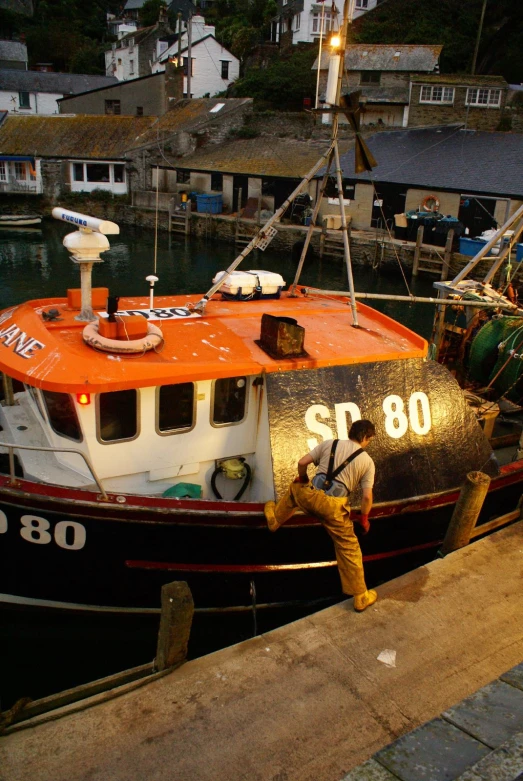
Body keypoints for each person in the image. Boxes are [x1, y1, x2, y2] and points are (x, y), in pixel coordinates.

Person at [264, 419, 377, 612]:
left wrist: (303, 478)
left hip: (309, 496)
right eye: (369, 440)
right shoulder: (367, 461)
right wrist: (364, 518)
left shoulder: (330, 444)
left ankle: (275, 520)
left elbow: (302, 463)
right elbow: (367, 497)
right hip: (332, 508)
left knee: (295, 488)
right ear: (365, 437)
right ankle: (360, 596)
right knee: (349, 547)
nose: (368, 443)